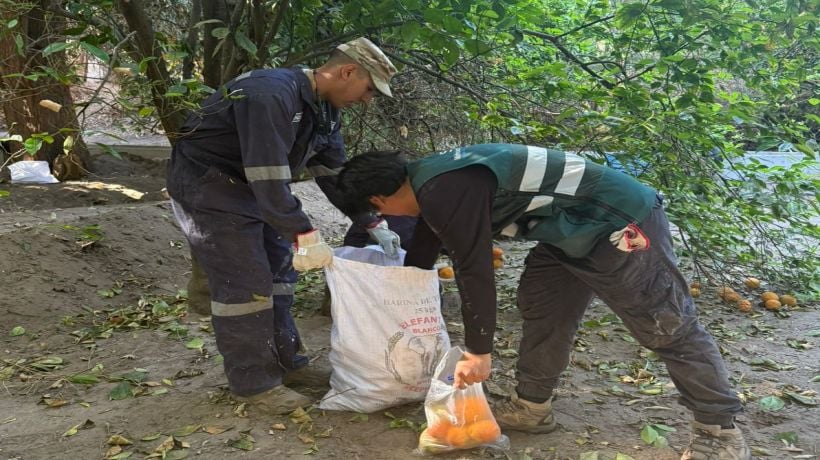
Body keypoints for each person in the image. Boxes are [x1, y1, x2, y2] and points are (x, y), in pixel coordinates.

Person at [335, 144, 750, 459]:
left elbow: (473, 266)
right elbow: (428, 243)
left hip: (617, 222)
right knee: (543, 307)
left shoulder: (445, 186)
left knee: (665, 325)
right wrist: (403, 291)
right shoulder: (430, 182)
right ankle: (533, 406)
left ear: (379, 201)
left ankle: (719, 431)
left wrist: (479, 351)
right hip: (567, 231)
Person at [166, 37, 400, 415]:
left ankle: (287, 364)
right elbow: (269, 176)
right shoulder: (270, 94)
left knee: (279, 274)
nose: (367, 100)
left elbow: (335, 175)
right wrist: (303, 233)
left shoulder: (324, 111)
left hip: (254, 191)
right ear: (347, 71)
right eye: (369, 89)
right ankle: (254, 384)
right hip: (210, 189)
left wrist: (371, 221)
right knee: (245, 284)